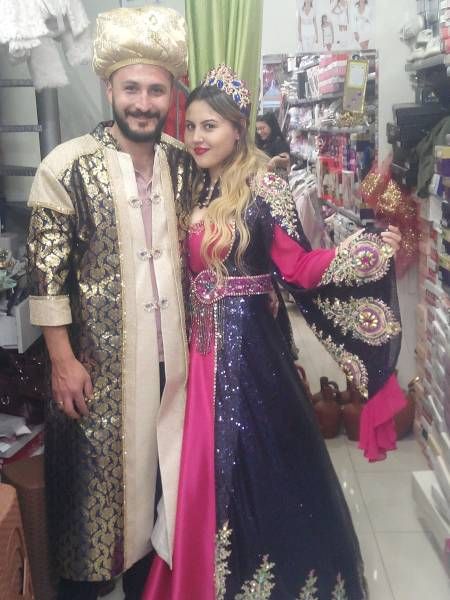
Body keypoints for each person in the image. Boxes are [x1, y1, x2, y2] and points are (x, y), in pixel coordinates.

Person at [142, 65, 404, 599]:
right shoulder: (197, 183)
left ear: (238, 129)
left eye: (210, 126)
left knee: (254, 466)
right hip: (199, 351)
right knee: (198, 467)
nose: (197, 137)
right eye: (191, 126)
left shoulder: (265, 187)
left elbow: (298, 266)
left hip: (249, 356)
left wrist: (366, 251)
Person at [26, 6, 192, 599]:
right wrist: (63, 361)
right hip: (96, 373)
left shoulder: (183, 162)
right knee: (91, 520)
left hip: (174, 369)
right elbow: (46, 278)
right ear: (109, 89)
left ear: (170, 94)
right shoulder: (65, 167)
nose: (143, 103)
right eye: (131, 89)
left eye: (155, 90)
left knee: (161, 502)